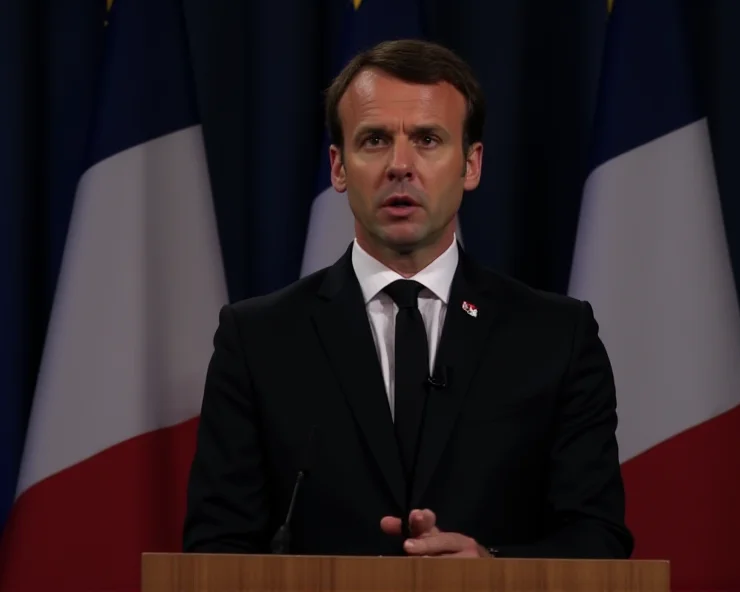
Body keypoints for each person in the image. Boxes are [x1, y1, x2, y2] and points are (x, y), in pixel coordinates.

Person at [182, 38, 633, 559]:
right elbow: (217, 547)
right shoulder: (258, 340)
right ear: (338, 167)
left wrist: (495, 572)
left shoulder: (556, 337)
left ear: (471, 165)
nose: (400, 165)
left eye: (427, 139)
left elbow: (598, 538)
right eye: (374, 140)